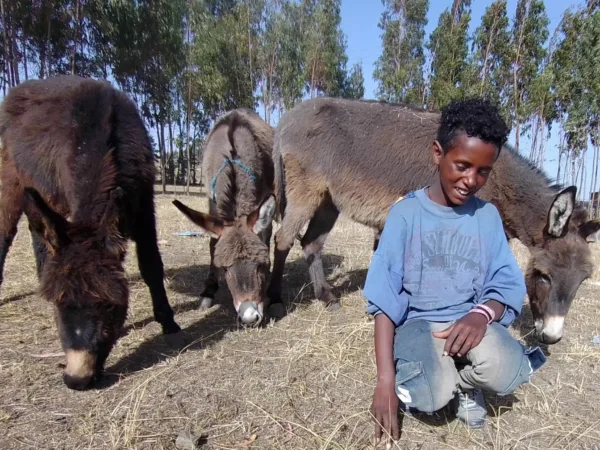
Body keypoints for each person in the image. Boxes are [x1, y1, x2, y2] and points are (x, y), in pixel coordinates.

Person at [363, 98, 546, 445]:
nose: (471, 180)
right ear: (437, 153)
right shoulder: (405, 214)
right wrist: (385, 380)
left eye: (483, 171)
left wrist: (481, 315)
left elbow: (505, 284)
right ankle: (447, 377)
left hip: (470, 323)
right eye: (462, 165)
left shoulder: (488, 217)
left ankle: (467, 385)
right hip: (420, 327)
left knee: (507, 372)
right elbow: (384, 299)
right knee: (428, 396)